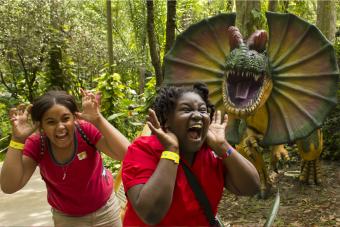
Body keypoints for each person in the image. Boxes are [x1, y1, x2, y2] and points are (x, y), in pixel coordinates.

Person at [122, 83, 261, 226]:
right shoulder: (143, 149)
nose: (197, 115)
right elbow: (150, 214)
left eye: (202, 110)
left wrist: (222, 145)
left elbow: (251, 187)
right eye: (186, 110)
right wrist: (171, 151)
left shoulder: (213, 151)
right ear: (167, 119)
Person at [0, 89, 130, 227]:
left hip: (106, 210)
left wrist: (98, 119)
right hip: (67, 219)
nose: (60, 127)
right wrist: (17, 139)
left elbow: (127, 154)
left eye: (65, 118)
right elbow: (9, 186)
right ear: (41, 125)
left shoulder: (85, 130)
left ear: (74, 118)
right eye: (51, 122)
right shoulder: (38, 143)